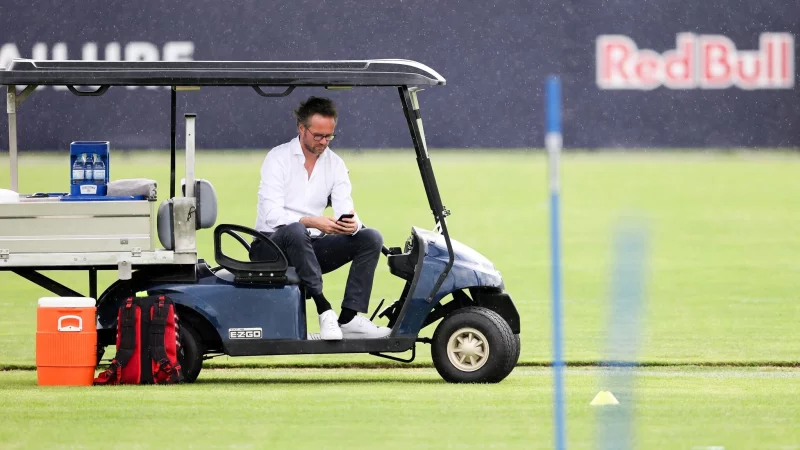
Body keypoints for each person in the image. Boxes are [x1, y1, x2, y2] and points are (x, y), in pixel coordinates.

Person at [250, 96, 390, 341]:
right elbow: (272, 215)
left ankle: (348, 318)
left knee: (371, 238)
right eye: (318, 136)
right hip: (270, 247)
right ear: (301, 128)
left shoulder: (335, 164)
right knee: (295, 230)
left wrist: (350, 224)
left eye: (329, 136)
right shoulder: (277, 158)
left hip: (310, 248)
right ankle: (324, 308)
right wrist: (314, 221)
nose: (324, 142)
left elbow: (346, 207)